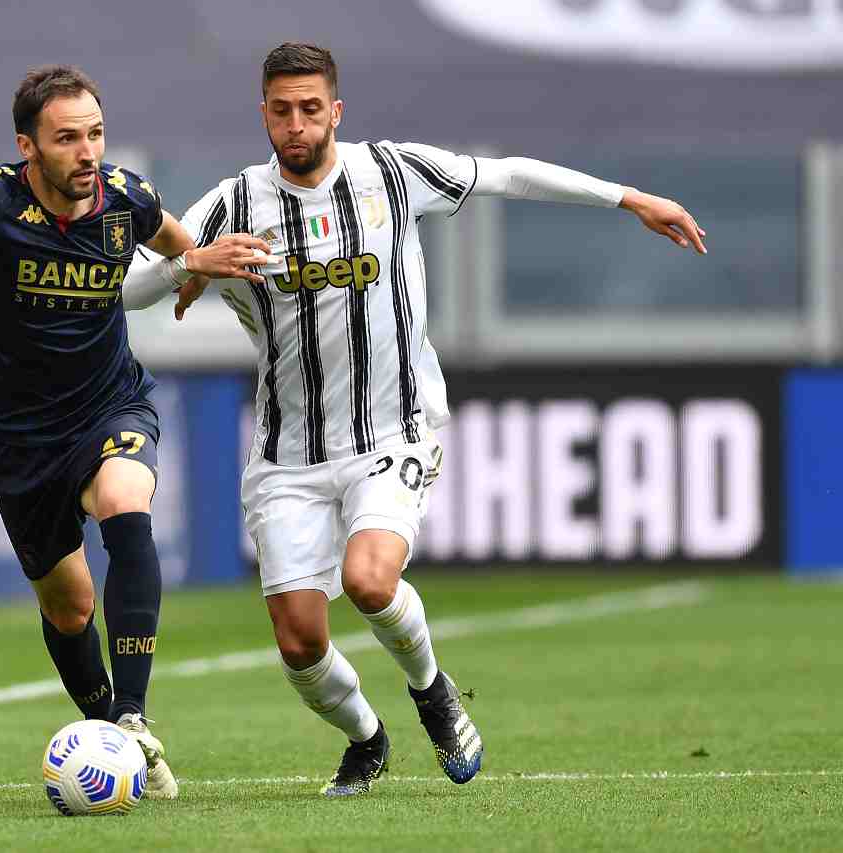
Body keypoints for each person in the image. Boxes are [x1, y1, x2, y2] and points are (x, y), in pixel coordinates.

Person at [123, 42, 707, 797]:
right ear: (263, 114)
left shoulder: (392, 173)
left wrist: (629, 198)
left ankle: (434, 694)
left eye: (311, 109)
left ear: (336, 111)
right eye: (282, 111)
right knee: (299, 645)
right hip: (286, 453)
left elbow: (506, 175)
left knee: (369, 580)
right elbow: (129, 288)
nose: (297, 125)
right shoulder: (233, 202)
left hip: (391, 431)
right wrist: (190, 264)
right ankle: (366, 739)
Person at [0, 65, 265, 800]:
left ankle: (132, 716)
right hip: (22, 438)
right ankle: (110, 730)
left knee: (126, 503)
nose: (87, 152)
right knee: (69, 607)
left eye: (95, 134)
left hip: (111, 405)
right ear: (28, 147)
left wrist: (195, 268)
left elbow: (177, 243)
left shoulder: (127, 197)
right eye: (67, 138)